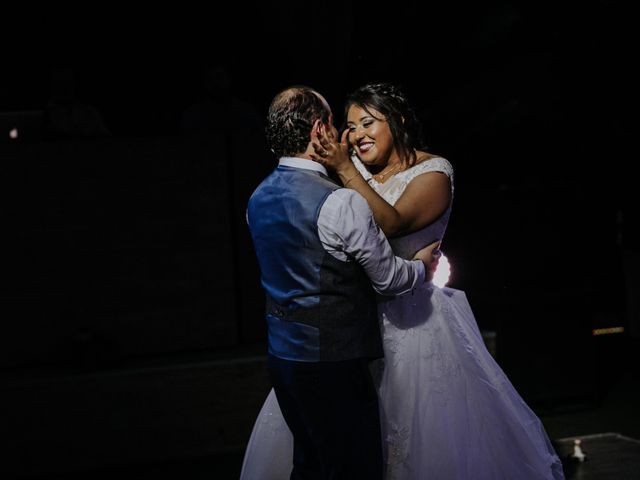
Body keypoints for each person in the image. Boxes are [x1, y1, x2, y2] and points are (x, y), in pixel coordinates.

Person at [240, 83, 565, 480]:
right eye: (350, 125)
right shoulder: (349, 177)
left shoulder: (433, 172)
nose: (357, 134)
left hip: (416, 324)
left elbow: (393, 222)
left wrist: (344, 170)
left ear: (398, 121)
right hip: (356, 327)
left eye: (367, 122)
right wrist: (346, 171)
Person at [244, 85, 442, 480]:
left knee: (309, 465)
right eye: (337, 123)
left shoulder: (257, 196)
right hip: (333, 361)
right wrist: (423, 266)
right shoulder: (339, 201)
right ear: (320, 129)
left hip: (283, 359)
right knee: (356, 468)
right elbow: (388, 279)